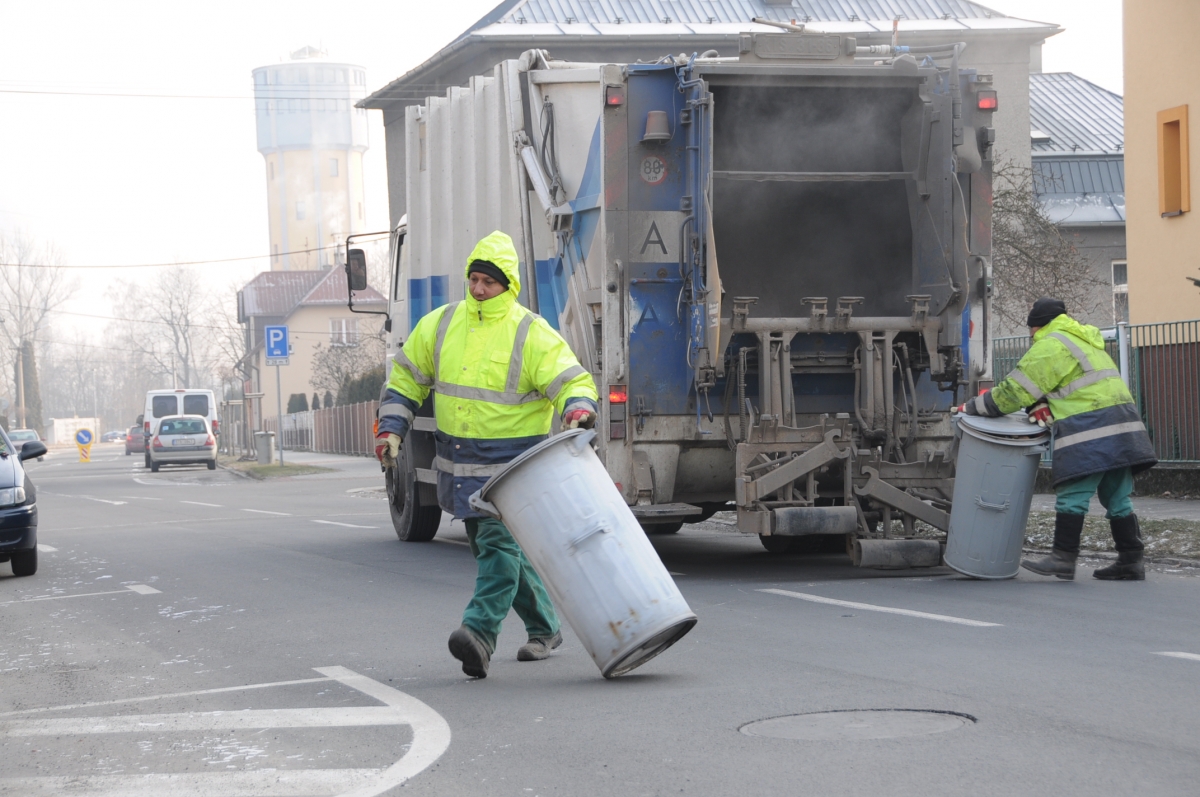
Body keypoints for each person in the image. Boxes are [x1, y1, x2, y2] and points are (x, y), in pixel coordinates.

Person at [374, 230, 599, 678]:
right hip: (460, 468)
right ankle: (546, 627)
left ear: (508, 286)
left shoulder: (529, 331)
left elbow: (573, 380)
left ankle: (478, 634)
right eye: (474, 278)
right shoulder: (440, 325)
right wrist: (391, 429)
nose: (478, 288)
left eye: (489, 282)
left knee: (497, 551)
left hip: (515, 471)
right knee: (492, 549)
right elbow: (404, 381)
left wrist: (578, 407)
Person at [959, 297, 1157, 581]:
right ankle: (1131, 559)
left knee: (1073, 494)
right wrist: (1038, 403)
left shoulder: (1050, 345)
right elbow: (1068, 386)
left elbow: (1014, 392)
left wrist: (972, 408)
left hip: (1091, 426)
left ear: (1036, 327)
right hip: (1123, 423)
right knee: (1117, 496)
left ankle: (1063, 557)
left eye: (1031, 332)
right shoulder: (1083, 339)